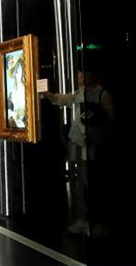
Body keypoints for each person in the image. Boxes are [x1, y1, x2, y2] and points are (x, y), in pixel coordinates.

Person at [44, 67, 114, 237]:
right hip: (79, 144)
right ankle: (84, 219)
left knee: (94, 184)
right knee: (81, 184)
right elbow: (62, 99)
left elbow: (109, 121)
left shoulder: (101, 95)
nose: (81, 76)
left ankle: (96, 222)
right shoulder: (78, 94)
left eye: (84, 73)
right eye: (80, 74)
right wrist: (48, 95)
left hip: (93, 146)